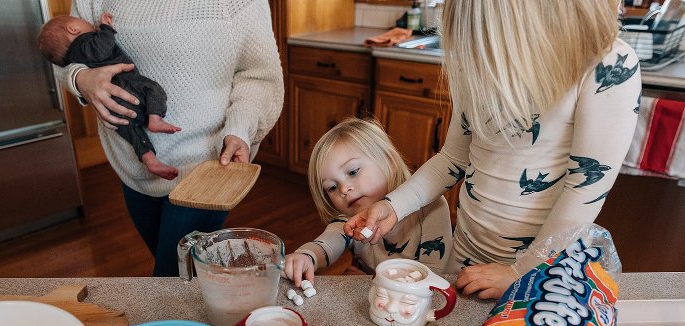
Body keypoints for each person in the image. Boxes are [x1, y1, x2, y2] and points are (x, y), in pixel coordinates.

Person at [345, 0, 640, 299]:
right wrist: (394, 206)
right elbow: (451, 159)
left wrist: (521, 271)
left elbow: (584, 189)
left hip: (542, 271)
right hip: (465, 254)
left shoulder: (608, 65)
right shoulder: (480, 61)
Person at [53, 1, 284, 277]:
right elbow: (61, 53)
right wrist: (81, 79)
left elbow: (259, 75)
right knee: (185, 280)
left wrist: (239, 127)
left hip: (206, 170)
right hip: (133, 166)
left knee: (170, 279)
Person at [283, 118, 452, 287]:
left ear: (390, 162)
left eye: (353, 172)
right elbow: (325, 245)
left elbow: (433, 275)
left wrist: (372, 281)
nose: (343, 189)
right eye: (332, 187)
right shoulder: (349, 222)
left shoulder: (432, 207)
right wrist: (306, 256)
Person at [39, 12, 181, 179]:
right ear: (73, 29)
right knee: (153, 89)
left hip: (110, 107)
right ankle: (155, 118)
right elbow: (101, 48)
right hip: (127, 86)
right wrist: (106, 29)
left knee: (133, 134)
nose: (91, 25)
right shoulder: (83, 44)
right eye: (84, 22)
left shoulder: (74, 57)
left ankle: (149, 159)